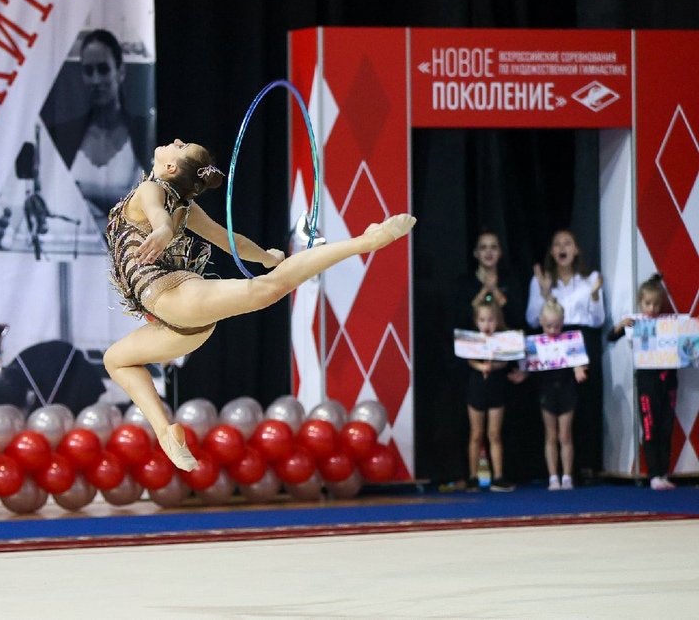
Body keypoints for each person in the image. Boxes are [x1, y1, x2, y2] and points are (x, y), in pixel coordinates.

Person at [103, 138, 416, 470]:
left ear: (169, 169)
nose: (176, 141)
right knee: (117, 360)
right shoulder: (183, 206)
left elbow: (160, 218)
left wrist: (164, 231)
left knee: (267, 290)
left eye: (180, 147)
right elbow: (231, 241)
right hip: (182, 327)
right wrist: (267, 257)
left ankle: (366, 241)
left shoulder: (153, 191)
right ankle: (166, 434)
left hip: (175, 298)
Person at [50, 29, 154, 234]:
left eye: (103, 69)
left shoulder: (144, 132)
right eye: (88, 71)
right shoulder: (65, 136)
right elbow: (55, 198)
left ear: (120, 72)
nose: (96, 80)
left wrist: (86, 192)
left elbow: (152, 200)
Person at [525, 229, 605, 481]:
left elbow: (599, 319)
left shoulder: (590, 278)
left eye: (568, 243)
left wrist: (593, 295)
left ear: (577, 249)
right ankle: (553, 472)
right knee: (553, 406)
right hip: (552, 345)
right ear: (551, 251)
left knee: (584, 402)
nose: (562, 248)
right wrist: (546, 291)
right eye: (557, 244)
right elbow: (531, 319)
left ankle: (586, 466)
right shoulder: (541, 279)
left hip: (581, 341)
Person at [608, 273, 677, 490]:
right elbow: (610, 337)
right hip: (647, 381)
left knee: (666, 428)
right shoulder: (635, 323)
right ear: (640, 302)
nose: (652, 308)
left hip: (669, 380)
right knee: (650, 427)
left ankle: (664, 473)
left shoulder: (670, 323)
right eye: (648, 303)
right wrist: (621, 325)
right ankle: (653, 474)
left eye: (657, 304)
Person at [463, 299, 525, 492]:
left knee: (494, 434)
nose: (486, 324)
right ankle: (473, 477)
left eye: (491, 320)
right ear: (476, 321)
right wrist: (482, 366)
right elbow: (469, 359)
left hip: (496, 387)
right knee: (476, 434)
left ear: (497, 321)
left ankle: (498, 476)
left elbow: (506, 361)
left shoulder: (503, 340)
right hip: (476, 387)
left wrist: (494, 365)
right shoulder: (471, 339)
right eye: (482, 320)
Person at [533, 297, 587, 490]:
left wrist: (579, 369)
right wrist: (521, 374)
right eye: (549, 326)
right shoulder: (537, 343)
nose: (554, 331)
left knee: (565, 435)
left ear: (563, 322)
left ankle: (567, 476)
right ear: (540, 322)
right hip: (547, 391)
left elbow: (578, 359)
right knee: (551, 435)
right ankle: (553, 476)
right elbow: (529, 364)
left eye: (557, 326)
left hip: (566, 390)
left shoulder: (570, 340)